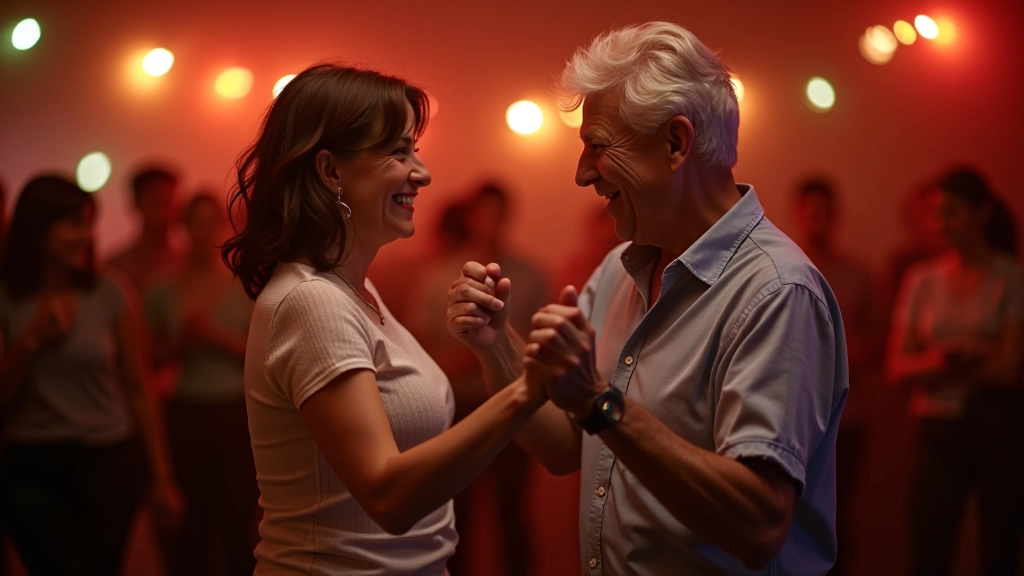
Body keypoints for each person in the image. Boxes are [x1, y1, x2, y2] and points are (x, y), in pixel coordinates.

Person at [446, 22, 848, 574]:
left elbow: (759, 524)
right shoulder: (618, 269)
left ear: (675, 143)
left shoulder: (776, 291)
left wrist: (598, 402)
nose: (582, 173)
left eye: (598, 147)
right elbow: (567, 447)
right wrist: (496, 345)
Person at [220, 63, 546, 575]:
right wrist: (527, 391)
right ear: (330, 172)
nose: (422, 172)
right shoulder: (312, 302)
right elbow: (387, 494)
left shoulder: (357, 290)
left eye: (414, 150)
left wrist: (491, 345)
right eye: (398, 152)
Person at [0, 175, 180, 575]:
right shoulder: (8, 297)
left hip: (108, 459)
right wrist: (30, 341)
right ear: (37, 228)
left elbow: (138, 387)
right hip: (33, 464)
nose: (85, 235)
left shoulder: (109, 292)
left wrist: (160, 478)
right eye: (72, 224)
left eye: (88, 223)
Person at [887, 167, 1023, 576]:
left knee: (1000, 549)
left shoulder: (1011, 277)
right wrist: (960, 356)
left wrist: (934, 363)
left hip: (999, 427)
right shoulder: (922, 279)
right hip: (936, 428)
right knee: (929, 551)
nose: (940, 223)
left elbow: (1010, 372)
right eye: (935, 213)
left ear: (982, 214)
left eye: (952, 212)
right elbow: (897, 368)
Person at [408, 183, 550, 576]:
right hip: (458, 405)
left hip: (513, 405)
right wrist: (475, 353)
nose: (491, 223)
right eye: (484, 213)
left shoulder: (531, 274)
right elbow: (421, 342)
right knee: (458, 512)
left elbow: (542, 343)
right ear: (471, 217)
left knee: (512, 508)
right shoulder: (438, 275)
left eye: (498, 213)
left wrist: (496, 348)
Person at [145, 192, 258, 575]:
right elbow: (147, 360)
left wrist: (213, 335)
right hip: (186, 410)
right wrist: (182, 341)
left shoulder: (243, 283)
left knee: (238, 519)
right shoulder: (162, 288)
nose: (202, 230)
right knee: (192, 525)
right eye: (195, 221)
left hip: (235, 413)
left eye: (212, 221)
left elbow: (261, 356)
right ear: (183, 227)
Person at [792, 178, 878, 575]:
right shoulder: (782, 273)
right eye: (808, 211)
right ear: (797, 214)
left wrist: (834, 356)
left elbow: (878, 345)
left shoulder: (858, 276)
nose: (815, 221)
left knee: (836, 518)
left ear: (835, 216)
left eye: (822, 211)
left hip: (846, 418)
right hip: (791, 420)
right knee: (786, 515)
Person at [107, 166, 184, 298]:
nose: (164, 213)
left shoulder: (186, 263)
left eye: (169, 203)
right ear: (137, 203)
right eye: (156, 203)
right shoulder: (115, 269)